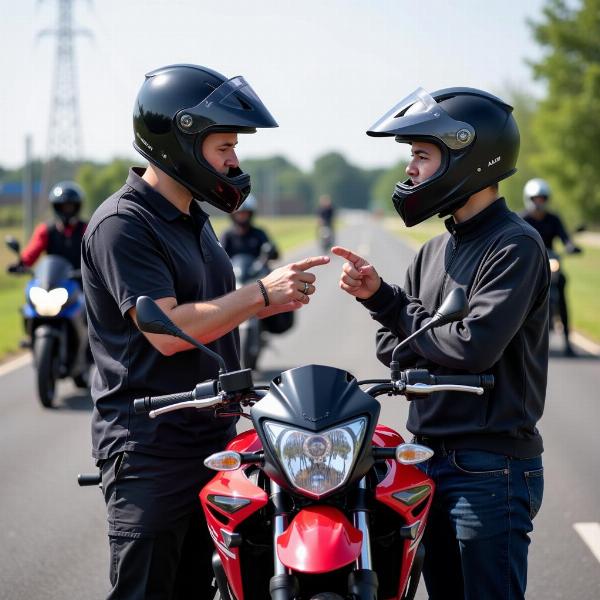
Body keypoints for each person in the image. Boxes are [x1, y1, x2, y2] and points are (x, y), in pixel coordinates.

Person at [81, 63, 329, 600]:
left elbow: (207, 311)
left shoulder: (193, 217)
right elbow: (168, 330)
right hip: (151, 450)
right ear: (181, 143)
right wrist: (259, 293)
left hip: (212, 444)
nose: (235, 162)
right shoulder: (124, 224)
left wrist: (265, 306)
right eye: (225, 148)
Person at [333, 87, 549, 600]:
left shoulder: (515, 245)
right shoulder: (432, 251)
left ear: (467, 158)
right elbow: (392, 346)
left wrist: (389, 301)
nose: (410, 169)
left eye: (422, 155)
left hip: (489, 466)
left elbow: (472, 346)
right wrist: (411, 323)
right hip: (425, 456)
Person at [521, 178, 581, 356]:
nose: (539, 202)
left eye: (542, 199)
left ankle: (567, 343)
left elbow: (565, 238)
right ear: (529, 199)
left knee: (562, 285)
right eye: (536, 199)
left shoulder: (553, 219)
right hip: (530, 267)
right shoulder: (522, 219)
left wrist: (570, 246)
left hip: (551, 264)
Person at [8, 181, 87, 272]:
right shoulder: (46, 229)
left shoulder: (86, 229)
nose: (67, 210)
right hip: (51, 280)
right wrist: (22, 263)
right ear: (56, 207)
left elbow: (95, 254)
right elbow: (33, 250)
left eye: (70, 206)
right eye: (63, 207)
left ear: (77, 207)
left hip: (80, 281)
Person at [220, 193, 279, 261]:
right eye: (238, 213)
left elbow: (274, 254)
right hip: (232, 270)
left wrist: (271, 251)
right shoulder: (227, 235)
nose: (241, 216)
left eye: (244, 213)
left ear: (250, 214)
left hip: (257, 270)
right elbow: (219, 255)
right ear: (233, 215)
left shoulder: (259, 233)